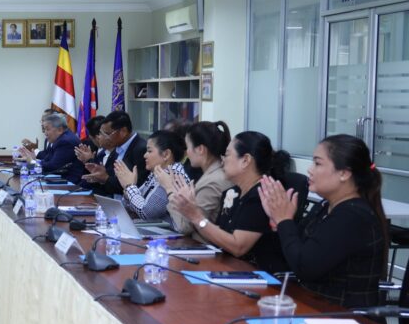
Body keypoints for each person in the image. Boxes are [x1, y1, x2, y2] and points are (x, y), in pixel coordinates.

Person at [259, 135, 387, 307]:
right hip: (314, 304)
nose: (310, 170)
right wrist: (278, 222)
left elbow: (304, 267)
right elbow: (293, 254)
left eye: (318, 163)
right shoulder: (326, 206)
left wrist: (284, 220)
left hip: (344, 316)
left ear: (344, 173)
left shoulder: (352, 216)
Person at [169, 131, 290, 273]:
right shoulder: (232, 193)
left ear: (245, 160)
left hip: (257, 276)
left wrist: (196, 216)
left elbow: (237, 247)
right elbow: (220, 238)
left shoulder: (262, 195)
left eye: (227, 155)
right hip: (226, 268)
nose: (222, 161)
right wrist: (191, 209)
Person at [161, 121, 232, 242]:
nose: (187, 152)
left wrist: (170, 191)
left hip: (204, 247)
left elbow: (185, 227)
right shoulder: (213, 174)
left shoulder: (212, 181)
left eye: (188, 147)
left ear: (200, 149)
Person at [115, 129, 188, 221]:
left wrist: (130, 186)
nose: (145, 155)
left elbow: (147, 213)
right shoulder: (158, 172)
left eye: (149, 151)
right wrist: (128, 191)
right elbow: (133, 206)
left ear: (166, 154)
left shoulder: (173, 175)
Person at [82, 110, 147, 196]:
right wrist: (100, 175)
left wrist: (105, 178)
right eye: (102, 133)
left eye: (107, 133)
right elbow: (110, 177)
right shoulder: (117, 146)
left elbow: (135, 187)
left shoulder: (141, 150)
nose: (104, 138)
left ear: (123, 132)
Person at [18, 111, 84, 182]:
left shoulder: (65, 141)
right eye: (44, 129)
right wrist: (33, 160)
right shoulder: (60, 139)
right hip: (59, 179)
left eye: (47, 129)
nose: (45, 133)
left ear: (60, 130)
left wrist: (32, 162)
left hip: (70, 183)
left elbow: (52, 167)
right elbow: (47, 161)